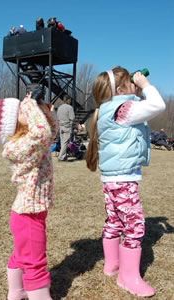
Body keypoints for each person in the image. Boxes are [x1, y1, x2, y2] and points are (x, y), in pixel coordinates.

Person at [85, 66, 166, 297]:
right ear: (120, 90)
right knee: (135, 226)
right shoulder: (123, 108)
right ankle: (127, 277)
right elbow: (158, 105)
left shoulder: (109, 110)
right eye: (131, 83)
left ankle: (112, 265)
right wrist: (146, 86)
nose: (135, 85)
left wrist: (136, 88)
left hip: (111, 179)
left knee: (114, 221)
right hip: (123, 179)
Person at [0, 94, 58, 300]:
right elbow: (42, 134)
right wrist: (30, 105)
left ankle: (17, 291)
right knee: (34, 262)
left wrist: (45, 113)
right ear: (12, 125)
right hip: (28, 215)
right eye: (23, 111)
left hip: (28, 212)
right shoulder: (19, 147)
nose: (30, 111)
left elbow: (49, 132)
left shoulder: (28, 142)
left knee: (22, 255)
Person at [57, 94, 75, 161]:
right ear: (67, 100)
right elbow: (72, 118)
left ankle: (63, 156)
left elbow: (58, 116)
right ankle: (61, 156)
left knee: (62, 142)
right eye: (70, 100)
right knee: (65, 142)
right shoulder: (70, 108)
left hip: (61, 125)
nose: (70, 101)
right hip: (67, 126)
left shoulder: (60, 107)